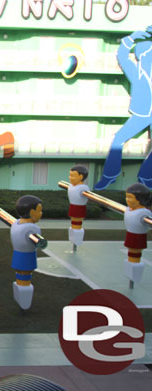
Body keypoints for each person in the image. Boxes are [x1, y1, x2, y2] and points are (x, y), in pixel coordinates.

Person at [95, 27, 152, 189]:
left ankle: (146, 176)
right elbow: (122, 56)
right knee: (119, 138)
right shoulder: (135, 72)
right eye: (144, 54)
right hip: (142, 114)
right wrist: (131, 39)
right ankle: (109, 175)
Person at [11, 195, 43, 310]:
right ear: (31, 212)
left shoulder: (16, 223)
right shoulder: (33, 228)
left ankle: (21, 301)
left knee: (20, 276)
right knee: (25, 279)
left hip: (17, 256)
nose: (41, 214)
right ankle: (24, 304)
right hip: (27, 257)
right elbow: (38, 242)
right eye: (39, 211)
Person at [67, 165, 90, 246]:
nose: (70, 177)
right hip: (72, 207)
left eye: (72, 176)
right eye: (70, 175)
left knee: (77, 225)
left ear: (81, 177)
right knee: (73, 224)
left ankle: (76, 241)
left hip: (79, 209)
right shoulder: (71, 186)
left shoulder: (83, 188)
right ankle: (74, 240)